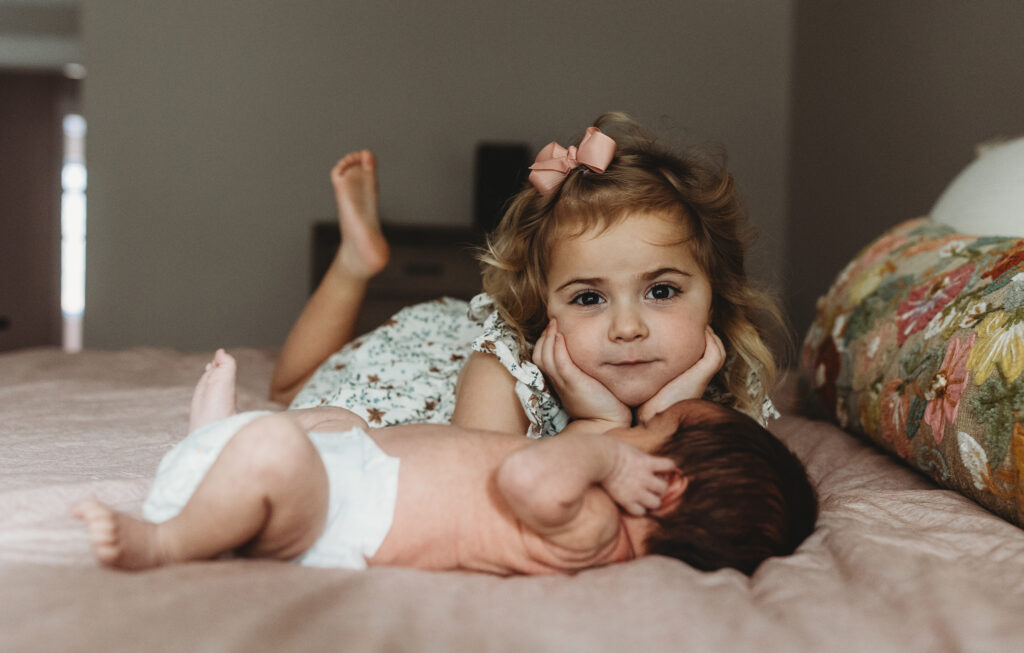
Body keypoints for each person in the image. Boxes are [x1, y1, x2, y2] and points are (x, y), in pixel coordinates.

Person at [74, 350, 817, 576]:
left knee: (277, 449)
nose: (626, 426)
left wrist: (604, 457)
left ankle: (165, 537)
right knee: (340, 422)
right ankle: (215, 442)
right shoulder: (595, 497)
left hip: (335, 519)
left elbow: (529, 475)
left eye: (650, 425)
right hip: (350, 469)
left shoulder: (596, 527)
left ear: (669, 483)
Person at [271, 113, 785, 438]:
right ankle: (355, 261)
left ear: (714, 297)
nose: (628, 328)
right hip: (417, 369)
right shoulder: (505, 373)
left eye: (662, 291)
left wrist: (672, 416)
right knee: (286, 393)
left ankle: (358, 260)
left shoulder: (728, 385)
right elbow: (475, 489)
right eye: (588, 298)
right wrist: (611, 425)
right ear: (543, 307)